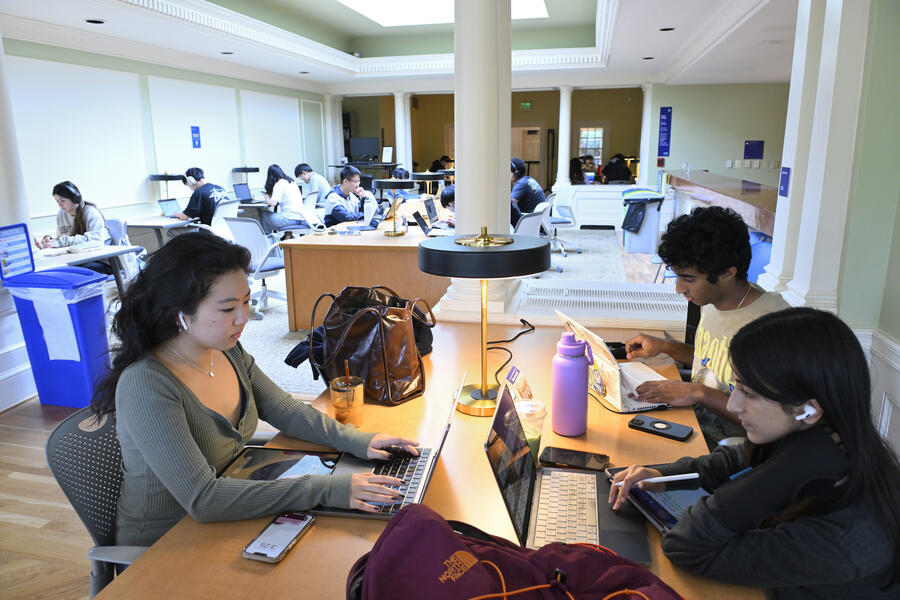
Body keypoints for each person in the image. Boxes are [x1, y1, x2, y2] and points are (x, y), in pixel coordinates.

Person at [91, 234, 418, 547]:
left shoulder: (225, 349)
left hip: (235, 508)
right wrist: (327, 489)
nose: (243, 318)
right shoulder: (146, 384)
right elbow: (203, 500)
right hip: (168, 543)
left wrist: (358, 441)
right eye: (227, 308)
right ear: (180, 313)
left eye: (246, 302)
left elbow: (285, 411)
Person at [610, 308, 900, 599]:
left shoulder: (849, 538)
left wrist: (784, 471)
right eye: (736, 385)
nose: (734, 405)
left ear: (808, 411)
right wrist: (663, 476)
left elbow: (686, 545)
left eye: (749, 393)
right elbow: (737, 460)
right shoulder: (821, 440)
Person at [624, 206, 788, 446]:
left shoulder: (772, 325)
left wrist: (697, 393)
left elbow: (768, 419)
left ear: (727, 274)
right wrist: (666, 347)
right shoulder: (712, 300)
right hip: (692, 423)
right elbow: (712, 364)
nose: (679, 288)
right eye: (677, 276)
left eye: (689, 279)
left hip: (730, 448)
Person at [39, 181, 110, 249]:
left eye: (62, 200)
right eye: (57, 201)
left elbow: (96, 240)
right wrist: (51, 241)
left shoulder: (90, 212)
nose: (59, 204)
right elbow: (63, 238)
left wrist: (61, 242)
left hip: (99, 255)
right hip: (77, 254)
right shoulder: (61, 214)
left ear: (75, 198)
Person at [260, 164, 308, 234]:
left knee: (262, 215)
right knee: (270, 217)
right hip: (301, 217)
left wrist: (266, 196)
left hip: (290, 219)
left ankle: (268, 241)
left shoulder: (279, 184)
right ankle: (286, 236)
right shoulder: (291, 182)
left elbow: (272, 204)